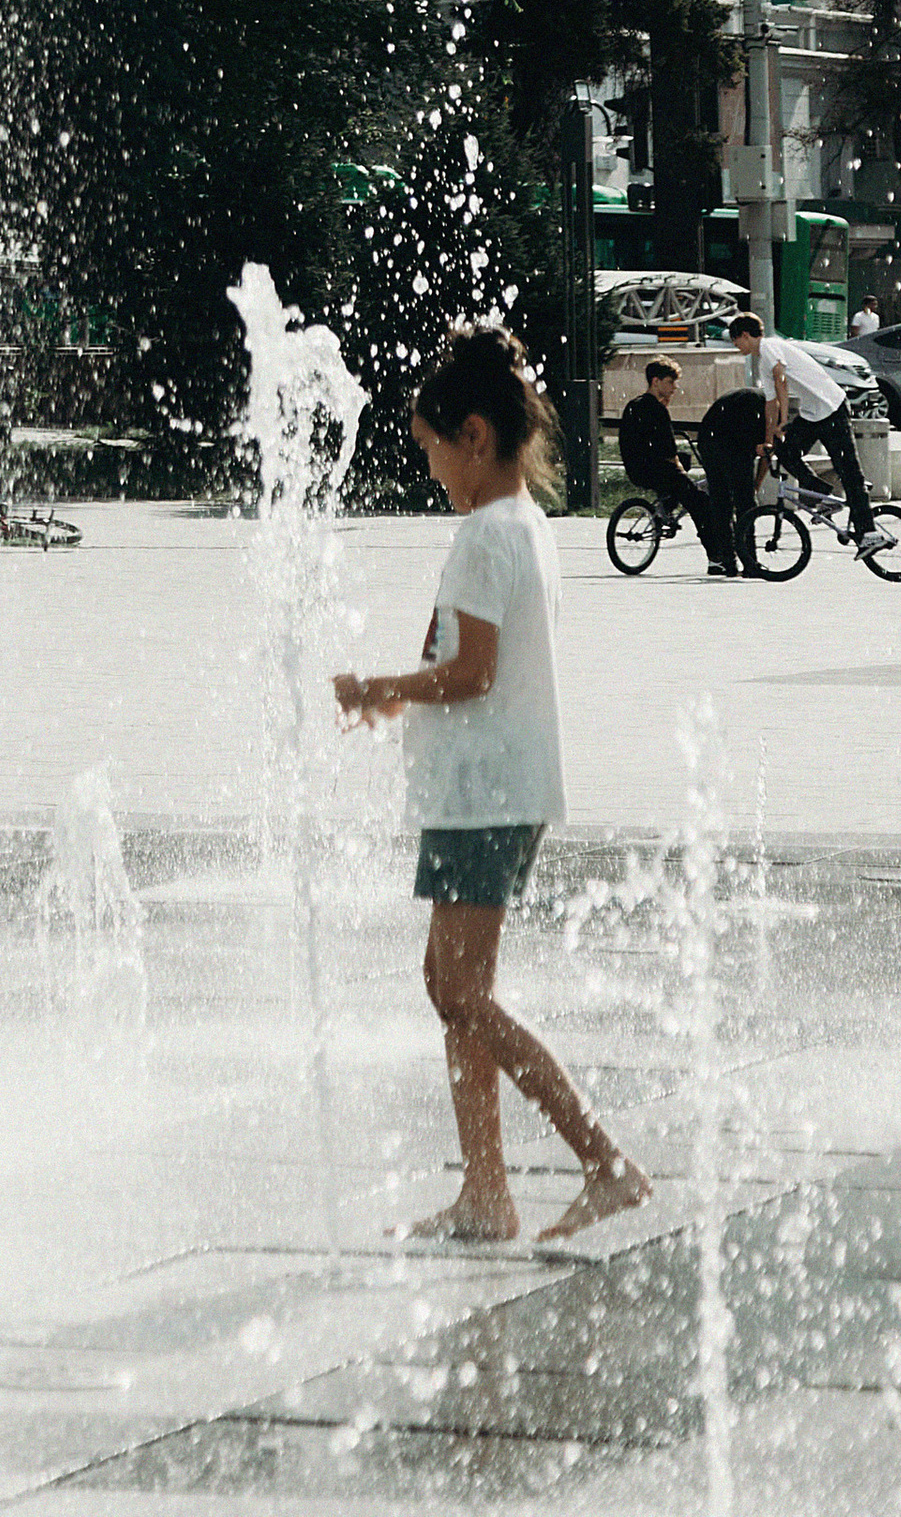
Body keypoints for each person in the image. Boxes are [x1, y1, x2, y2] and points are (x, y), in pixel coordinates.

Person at [331, 325, 652, 1243]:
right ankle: (484, 1194)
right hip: (493, 790)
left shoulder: (483, 534)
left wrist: (380, 686)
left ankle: (605, 1162)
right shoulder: (525, 526)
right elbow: (470, 664)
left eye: (433, 448)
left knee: (465, 993)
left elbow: (472, 673)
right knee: (447, 984)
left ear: (472, 436)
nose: (431, 468)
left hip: (484, 797)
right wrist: (404, 696)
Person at [730, 308, 875, 544]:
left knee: (849, 472)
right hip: (812, 414)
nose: (736, 346)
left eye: (736, 340)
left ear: (745, 335)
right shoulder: (762, 362)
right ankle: (821, 495)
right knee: (786, 451)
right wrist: (770, 437)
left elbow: (781, 381)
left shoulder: (769, 346)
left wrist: (783, 421)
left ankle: (869, 532)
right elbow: (771, 403)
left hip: (832, 407)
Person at [616, 359, 734, 573]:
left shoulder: (633, 405)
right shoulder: (657, 410)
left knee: (683, 464)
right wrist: (679, 470)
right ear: (656, 381)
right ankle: (716, 559)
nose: (675, 387)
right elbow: (668, 450)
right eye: (670, 382)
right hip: (659, 470)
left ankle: (666, 505)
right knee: (700, 503)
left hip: (636, 469)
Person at [695, 368, 773, 574]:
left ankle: (727, 562)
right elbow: (767, 453)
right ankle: (750, 563)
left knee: (720, 503)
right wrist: (755, 486)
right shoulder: (773, 409)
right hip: (733, 443)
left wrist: (754, 484)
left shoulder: (755, 397)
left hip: (708, 438)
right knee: (745, 505)